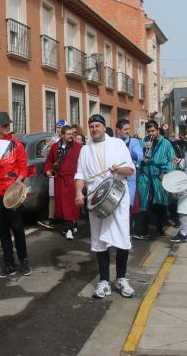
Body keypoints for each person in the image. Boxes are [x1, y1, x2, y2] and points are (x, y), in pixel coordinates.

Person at [75, 114, 136, 298]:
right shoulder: (85, 150)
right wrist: (79, 192)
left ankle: (122, 278)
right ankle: (103, 281)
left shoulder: (118, 144)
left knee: (122, 239)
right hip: (96, 198)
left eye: (97, 126)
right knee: (100, 241)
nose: (94, 129)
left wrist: (119, 170)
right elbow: (80, 175)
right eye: (91, 126)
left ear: (104, 127)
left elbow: (131, 170)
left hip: (117, 197)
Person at [0, 112, 31, 278]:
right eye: (3, 125)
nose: (7, 127)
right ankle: (9, 264)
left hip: (13, 195)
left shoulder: (17, 145)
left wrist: (17, 183)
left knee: (17, 228)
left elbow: (23, 167)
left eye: (8, 124)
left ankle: (24, 261)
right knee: (3, 231)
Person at [134, 121, 175, 239]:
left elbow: (171, 159)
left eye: (153, 131)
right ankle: (144, 230)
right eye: (149, 131)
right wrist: (143, 149)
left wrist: (166, 173)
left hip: (159, 176)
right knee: (144, 203)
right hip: (145, 175)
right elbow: (137, 158)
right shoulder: (143, 142)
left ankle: (160, 227)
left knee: (161, 203)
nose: (151, 133)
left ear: (157, 130)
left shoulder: (166, 143)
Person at [44, 125, 82, 239]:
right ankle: (71, 224)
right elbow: (49, 161)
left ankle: (69, 228)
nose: (72, 136)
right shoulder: (55, 147)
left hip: (71, 180)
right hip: (59, 180)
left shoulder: (79, 147)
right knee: (61, 205)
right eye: (69, 134)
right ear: (62, 135)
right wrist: (47, 171)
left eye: (72, 134)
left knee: (70, 205)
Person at [115, 119, 143, 234]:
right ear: (118, 130)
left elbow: (140, 156)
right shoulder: (113, 142)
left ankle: (127, 231)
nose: (128, 131)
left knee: (128, 204)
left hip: (130, 177)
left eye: (128, 129)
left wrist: (134, 159)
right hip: (116, 176)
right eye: (125, 129)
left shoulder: (134, 141)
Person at [38, 119, 67, 229]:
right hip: (54, 172)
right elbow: (43, 154)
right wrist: (49, 145)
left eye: (60, 127)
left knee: (64, 196)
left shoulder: (68, 139)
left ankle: (66, 219)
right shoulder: (54, 139)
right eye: (57, 127)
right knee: (52, 196)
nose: (58, 129)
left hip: (64, 172)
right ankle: (51, 219)